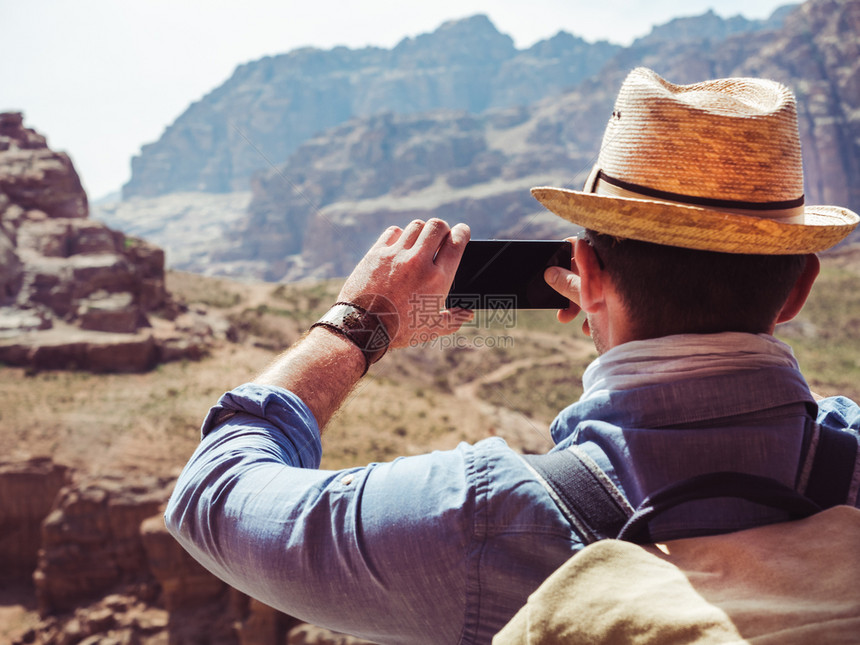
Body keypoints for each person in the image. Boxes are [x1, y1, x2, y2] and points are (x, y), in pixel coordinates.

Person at [164, 67, 860, 644]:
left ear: (584, 271)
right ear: (799, 286)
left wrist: (358, 325)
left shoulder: (478, 516)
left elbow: (211, 494)